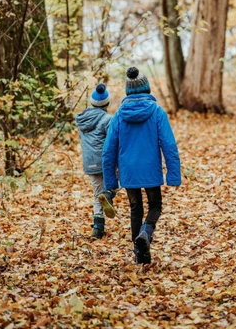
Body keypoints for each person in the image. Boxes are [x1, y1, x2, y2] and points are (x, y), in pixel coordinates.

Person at [103, 67, 181, 265]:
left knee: (135, 208)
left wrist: (110, 181)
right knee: (155, 205)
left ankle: (139, 255)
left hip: (129, 173)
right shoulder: (156, 112)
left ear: (128, 92)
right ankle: (146, 233)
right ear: (147, 89)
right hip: (150, 170)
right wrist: (173, 175)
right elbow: (169, 145)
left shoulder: (119, 115)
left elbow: (108, 150)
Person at [76, 83, 118, 239]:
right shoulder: (108, 119)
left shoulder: (82, 120)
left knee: (96, 196)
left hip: (89, 162)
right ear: (106, 103)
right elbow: (113, 141)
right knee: (117, 182)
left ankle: (98, 229)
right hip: (105, 161)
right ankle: (109, 194)